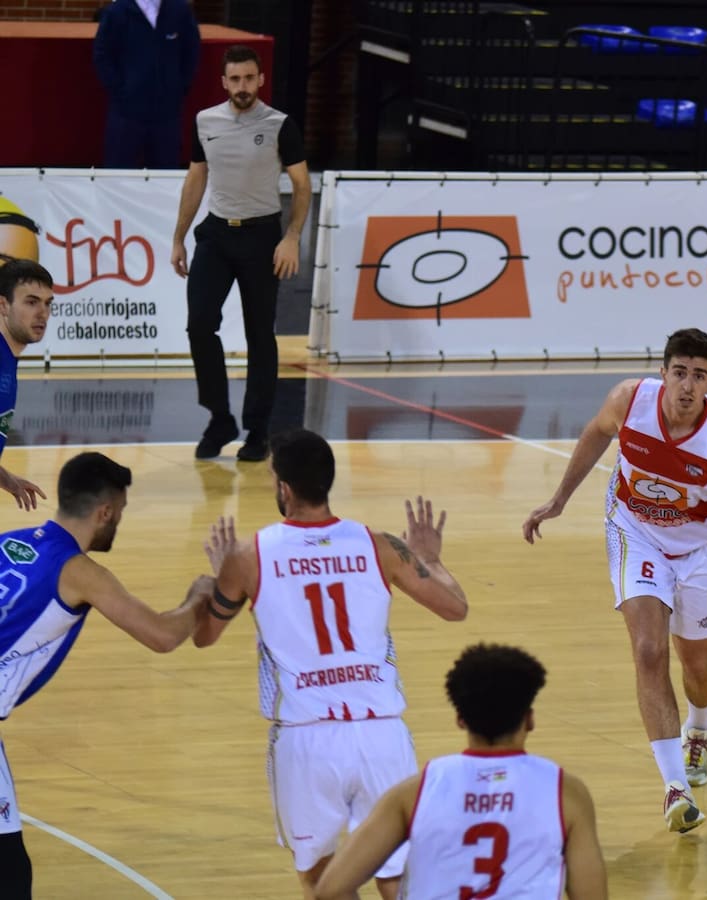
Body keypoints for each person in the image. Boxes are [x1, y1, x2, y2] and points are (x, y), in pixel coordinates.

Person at [522, 327, 707, 833]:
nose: (687, 384)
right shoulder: (629, 400)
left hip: (697, 548)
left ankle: (698, 731)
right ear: (663, 373)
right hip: (635, 534)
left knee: (697, 664)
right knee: (648, 650)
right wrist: (559, 499)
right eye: (679, 372)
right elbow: (596, 433)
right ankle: (675, 788)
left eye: (699, 376)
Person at [195, 428, 469, 900]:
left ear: (284, 488)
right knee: (398, 878)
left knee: (324, 881)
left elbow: (204, 635)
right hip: (382, 736)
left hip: (306, 740)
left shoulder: (248, 556)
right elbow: (455, 608)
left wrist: (224, 579)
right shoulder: (381, 546)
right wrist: (430, 559)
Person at [0, 451, 213, 897]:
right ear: (105, 512)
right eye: (121, 512)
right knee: (10, 877)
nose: (119, 521)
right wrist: (198, 597)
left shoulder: (9, 543)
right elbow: (161, 635)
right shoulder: (80, 572)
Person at [313, 643, 608, 900]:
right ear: (529, 720)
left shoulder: (413, 793)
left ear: (460, 719)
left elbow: (331, 889)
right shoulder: (565, 793)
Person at [171, 45, 311, 463]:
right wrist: (179, 238)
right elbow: (196, 179)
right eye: (235, 79)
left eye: (249, 78)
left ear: (261, 79)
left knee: (259, 335)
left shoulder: (280, 124)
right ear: (224, 82)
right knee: (199, 325)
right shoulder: (205, 121)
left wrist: (292, 236)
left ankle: (258, 430)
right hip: (215, 234)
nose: (243, 86)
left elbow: (302, 185)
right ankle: (220, 419)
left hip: (262, 236)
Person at [93, 0, 201, 169]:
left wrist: (176, 89)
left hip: (167, 114)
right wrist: (121, 91)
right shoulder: (117, 12)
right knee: (119, 174)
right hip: (126, 114)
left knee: (165, 175)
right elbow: (102, 54)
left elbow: (191, 53)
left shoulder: (180, 11)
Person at [0, 260, 54, 511]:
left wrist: (5, 478)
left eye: (47, 303)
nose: (42, 313)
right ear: (3, 305)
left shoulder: (7, 360)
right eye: (31, 302)